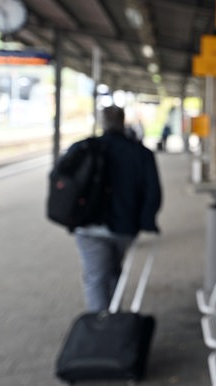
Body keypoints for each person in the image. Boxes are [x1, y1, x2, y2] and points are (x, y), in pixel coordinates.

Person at [72, 105, 162, 312]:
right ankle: (112, 315)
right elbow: (153, 192)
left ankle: (100, 324)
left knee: (96, 276)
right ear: (123, 122)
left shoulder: (83, 148)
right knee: (114, 271)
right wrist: (146, 221)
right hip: (125, 226)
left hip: (87, 226)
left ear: (102, 122)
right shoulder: (140, 153)